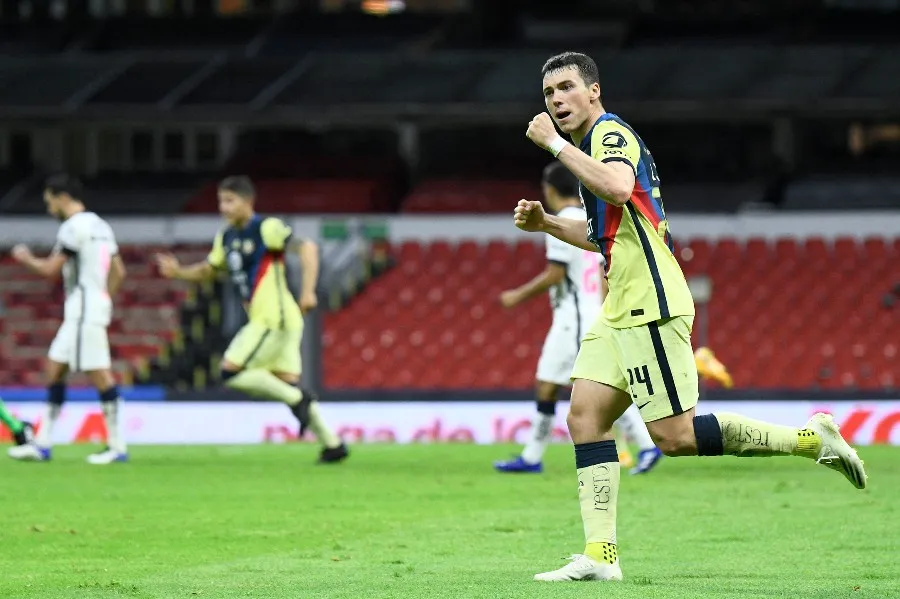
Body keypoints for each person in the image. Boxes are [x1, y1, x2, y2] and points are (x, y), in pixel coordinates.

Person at [516, 51, 866, 582]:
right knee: (585, 417)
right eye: (548, 94)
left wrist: (554, 145)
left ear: (594, 91)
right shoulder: (589, 151)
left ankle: (812, 440)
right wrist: (546, 224)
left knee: (675, 437)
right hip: (619, 307)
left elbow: (615, 186)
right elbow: (601, 236)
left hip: (649, 302)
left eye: (566, 88)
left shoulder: (610, 135)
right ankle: (599, 555)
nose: (557, 100)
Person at [154, 176, 348, 464]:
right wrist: (178, 272)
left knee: (230, 372)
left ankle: (300, 402)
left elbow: (308, 248)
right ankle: (333, 445)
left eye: (230, 201)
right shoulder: (226, 237)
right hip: (270, 319)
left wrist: (308, 292)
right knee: (285, 385)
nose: (224, 207)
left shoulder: (266, 228)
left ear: (248, 202)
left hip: (274, 317)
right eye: (221, 201)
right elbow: (210, 270)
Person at [494, 161, 662, 475]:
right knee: (560, 385)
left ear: (549, 190)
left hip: (573, 320)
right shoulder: (588, 221)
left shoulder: (557, 223)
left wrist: (516, 296)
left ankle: (646, 444)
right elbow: (603, 272)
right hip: (589, 313)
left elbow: (555, 274)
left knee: (579, 387)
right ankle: (532, 456)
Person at [8, 174, 129, 464]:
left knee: (99, 373)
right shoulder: (100, 224)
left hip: (82, 308)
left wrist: (25, 259)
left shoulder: (72, 228)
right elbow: (119, 272)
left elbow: (51, 269)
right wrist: (104, 298)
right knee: (55, 367)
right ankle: (43, 443)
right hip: (89, 305)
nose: (50, 209)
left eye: (50, 202)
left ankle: (116, 446)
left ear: (62, 198)